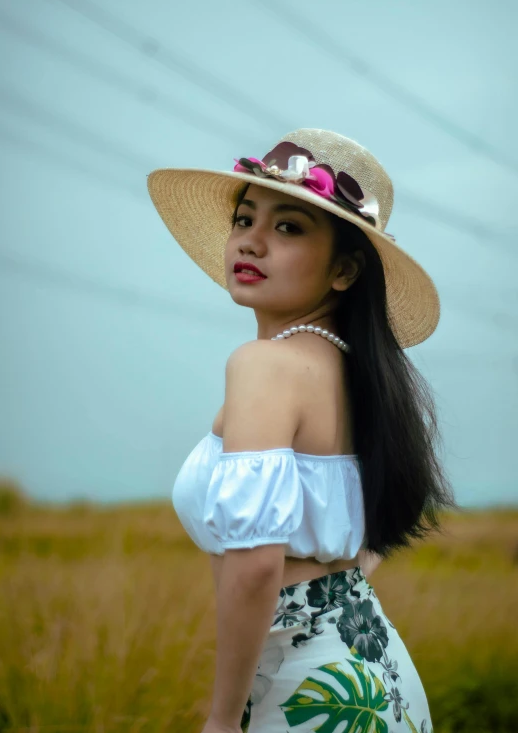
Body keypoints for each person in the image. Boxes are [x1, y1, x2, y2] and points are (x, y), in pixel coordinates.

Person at [147, 129, 457, 733]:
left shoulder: (264, 365)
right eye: (244, 218)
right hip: (375, 670)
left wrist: (221, 717)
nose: (251, 242)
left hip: (310, 692)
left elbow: (258, 563)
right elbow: (360, 541)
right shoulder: (363, 376)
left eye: (288, 227)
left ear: (344, 270)